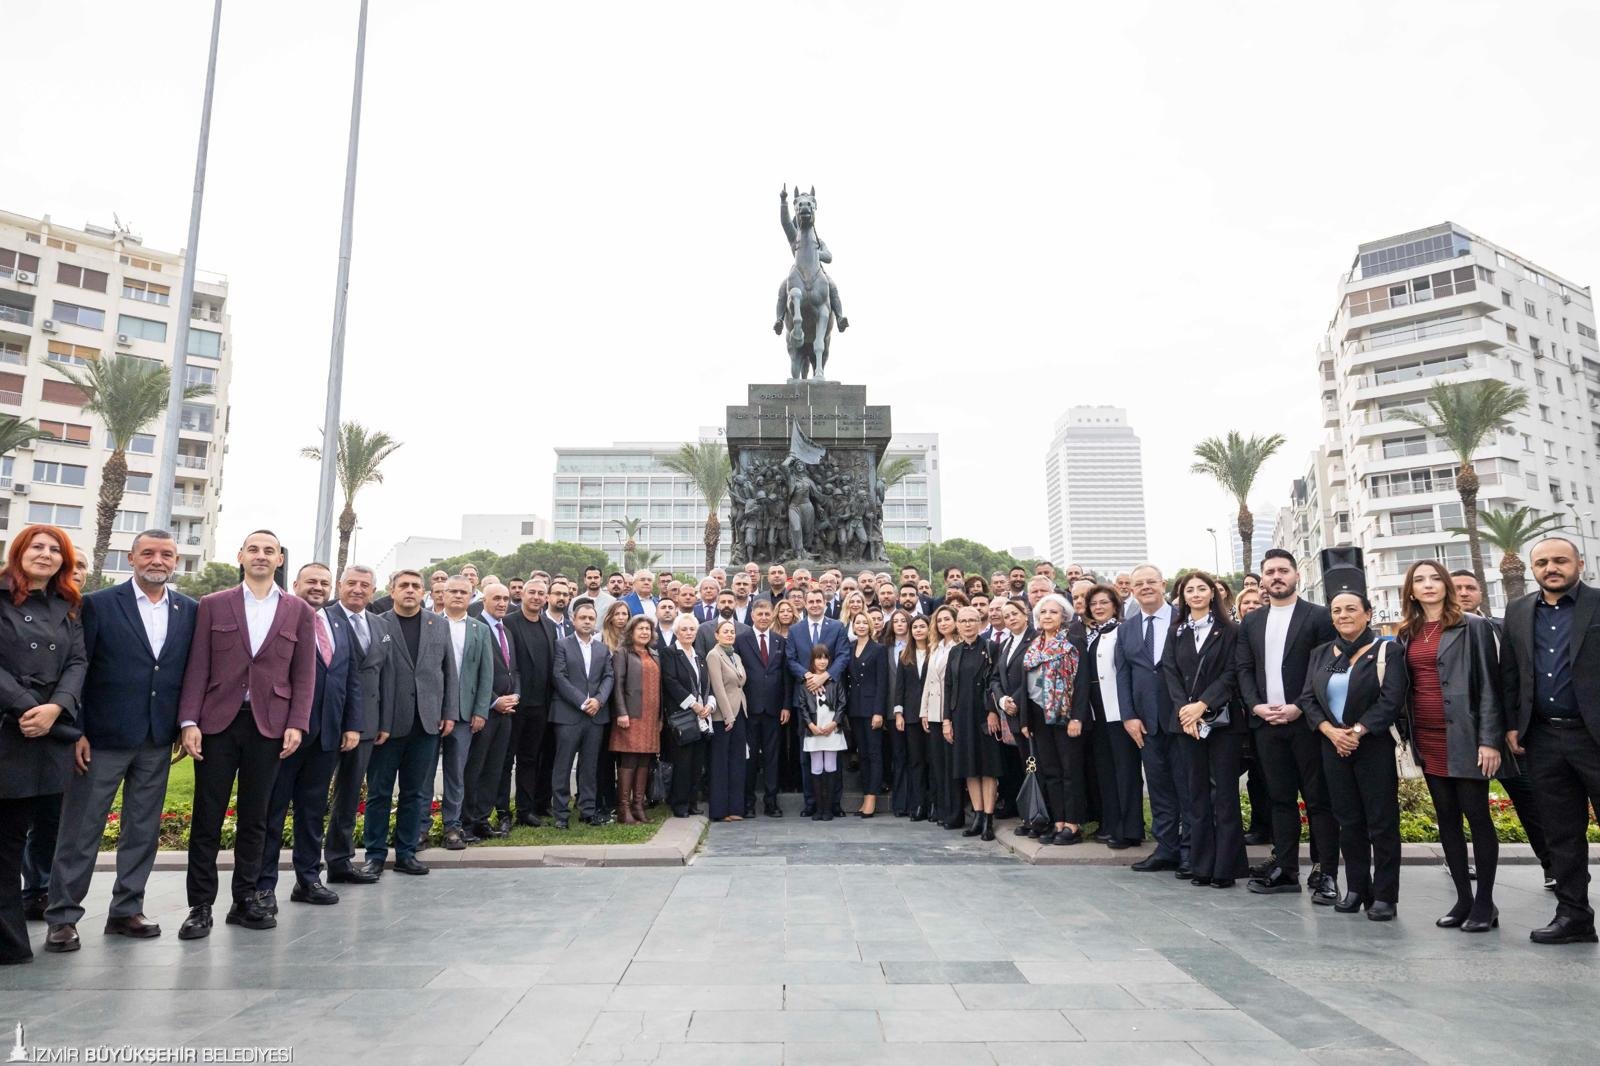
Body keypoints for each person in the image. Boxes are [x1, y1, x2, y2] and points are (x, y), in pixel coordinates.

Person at [44, 529, 193, 953]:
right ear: (131, 558)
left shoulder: (188, 610)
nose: (157, 561)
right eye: (148, 553)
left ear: (175, 561)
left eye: (166, 554)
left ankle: (127, 910)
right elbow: (78, 668)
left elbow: (185, 671)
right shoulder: (98, 604)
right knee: (81, 830)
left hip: (156, 738)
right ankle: (63, 917)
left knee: (142, 830)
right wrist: (77, 730)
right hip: (101, 739)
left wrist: (183, 724)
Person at [173, 530, 315, 939]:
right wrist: (189, 721)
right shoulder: (213, 604)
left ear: (280, 560)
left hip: (269, 725)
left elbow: (304, 674)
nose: (261, 555)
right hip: (217, 723)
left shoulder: (299, 610)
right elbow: (197, 666)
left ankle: (245, 899)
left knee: (257, 818)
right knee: (207, 817)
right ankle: (200, 906)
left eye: (269, 550)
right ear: (240, 556)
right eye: (253, 549)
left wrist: (297, 723)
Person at [1394, 560, 1503, 932]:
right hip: (1427, 738)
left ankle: (1485, 903)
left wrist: (1489, 740)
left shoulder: (1473, 626)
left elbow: (1490, 685)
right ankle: (1463, 900)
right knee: (1447, 819)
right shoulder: (1407, 632)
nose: (1428, 585)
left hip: (1467, 738)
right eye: (1419, 580)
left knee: (1477, 816)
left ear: (1446, 585)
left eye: (1434, 579)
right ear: (1411, 591)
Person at [1501, 537, 1600, 944]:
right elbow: (1510, 672)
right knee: (1561, 834)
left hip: (1593, 737)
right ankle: (1573, 917)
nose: (1551, 568)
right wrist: (1512, 724)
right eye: (1542, 562)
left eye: (1560, 560)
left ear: (1580, 563)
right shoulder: (1518, 610)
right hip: (1543, 738)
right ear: (1532, 568)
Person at [0, 526, 87, 964]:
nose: (46, 554)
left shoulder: (67, 605)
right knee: (4, 845)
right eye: (37, 546)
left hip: (48, 735)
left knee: (25, 835)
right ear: (19, 551)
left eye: (55, 550)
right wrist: (26, 706)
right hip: (8, 729)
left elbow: (77, 661)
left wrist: (56, 708)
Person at [256, 563, 363, 912]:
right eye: (311, 581)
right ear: (296, 584)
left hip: (326, 735)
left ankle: (308, 879)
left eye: (324, 583)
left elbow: (349, 678)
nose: (318, 587)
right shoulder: (280, 617)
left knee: (312, 811)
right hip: (284, 735)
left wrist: (351, 724)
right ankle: (263, 886)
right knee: (272, 812)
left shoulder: (338, 623)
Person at [1234, 549, 1339, 902]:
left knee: (1318, 800)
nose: (1276, 576)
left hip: (1307, 723)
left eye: (1283, 570)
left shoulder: (1319, 617)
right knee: (1279, 799)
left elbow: (1325, 668)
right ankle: (1287, 870)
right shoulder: (1251, 622)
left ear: (1297, 575)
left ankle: (1326, 871)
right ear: (1262, 579)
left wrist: (1299, 706)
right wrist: (1256, 706)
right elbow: (1244, 668)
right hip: (1266, 725)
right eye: (1270, 572)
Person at [1301, 589, 1406, 920]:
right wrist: (1331, 732)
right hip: (1333, 746)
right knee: (1348, 822)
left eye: (1350, 609)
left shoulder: (1388, 650)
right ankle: (1358, 889)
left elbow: (1391, 699)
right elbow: (1308, 699)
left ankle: (1385, 895)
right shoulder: (1321, 653)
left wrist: (1357, 731)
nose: (1343, 615)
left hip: (1373, 745)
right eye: (1336, 610)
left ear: (1368, 613)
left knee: (1381, 823)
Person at [1452, 568, 1551, 887]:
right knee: (1460, 808)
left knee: (1530, 800)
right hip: (1459, 735)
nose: (1464, 593)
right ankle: (1461, 865)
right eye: (1457, 587)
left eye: (1470, 587)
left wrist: (1517, 725)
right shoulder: (1430, 634)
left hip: (1507, 733)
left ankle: (1552, 866)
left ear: (1480, 592)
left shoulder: (1501, 628)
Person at [362, 569, 458, 879]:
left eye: (416, 585)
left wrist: (449, 712)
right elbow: (371, 675)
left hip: (426, 723)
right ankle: (375, 855)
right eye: (403, 585)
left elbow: (449, 671)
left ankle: (406, 853)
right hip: (387, 725)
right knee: (379, 793)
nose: (410, 590)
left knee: (415, 793)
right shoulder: (378, 623)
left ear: (423, 591)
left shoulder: (438, 624)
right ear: (392, 591)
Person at [1162, 571, 1247, 889]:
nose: (1196, 594)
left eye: (1202, 588)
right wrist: (1186, 712)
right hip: (1186, 724)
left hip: (1222, 722)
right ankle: (1201, 866)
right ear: (1182, 596)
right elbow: (1170, 672)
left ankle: (1225, 868)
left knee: (1223, 795)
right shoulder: (1176, 631)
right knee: (1196, 794)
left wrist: (1203, 705)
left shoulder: (1230, 630)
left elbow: (1232, 673)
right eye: (1189, 590)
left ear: (1214, 593)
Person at [1118, 564, 1189, 874]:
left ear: (1163, 584)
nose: (1145, 587)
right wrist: (1128, 716)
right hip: (1146, 722)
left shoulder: (1184, 619)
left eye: (1151, 582)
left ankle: (1190, 851)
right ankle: (1166, 848)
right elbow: (1123, 675)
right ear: (1132, 590)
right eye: (1139, 584)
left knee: (1187, 786)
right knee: (1159, 787)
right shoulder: (1126, 628)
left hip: (1182, 717)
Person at [326, 565, 389, 878]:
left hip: (366, 723)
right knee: (312, 796)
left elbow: (385, 675)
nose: (358, 589)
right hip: (327, 720)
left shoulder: (380, 624)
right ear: (340, 586)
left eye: (365, 585)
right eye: (351, 583)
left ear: (373, 591)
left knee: (349, 795)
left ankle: (340, 861)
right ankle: (307, 867)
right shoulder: (323, 618)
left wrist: (383, 722)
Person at [1021, 595, 1091, 845]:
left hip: (1065, 714)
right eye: (1043, 612)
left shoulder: (1073, 642)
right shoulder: (1033, 645)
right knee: (1050, 770)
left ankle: (1073, 824)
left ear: (1064, 617)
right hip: (1038, 715)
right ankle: (1058, 821)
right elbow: (1024, 685)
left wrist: (1077, 717)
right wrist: (1025, 719)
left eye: (1053, 612)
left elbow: (1082, 682)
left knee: (1070, 770)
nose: (1048, 616)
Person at [435, 576, 494, 850]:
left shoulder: (480, 629)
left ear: (471, 597)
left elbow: (486, 673)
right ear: (442, 594)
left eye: (464, 592)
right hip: (431, 712)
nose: (458, 596)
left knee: (456, 773)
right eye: (453, 591)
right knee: (423, 774)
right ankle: (420, 828)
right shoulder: (430, 623)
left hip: (465, 713)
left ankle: (452, 826)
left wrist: (481, 710)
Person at [1082, 584, 1141, 849]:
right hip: (1097, 713)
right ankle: (1111, 823)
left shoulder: (1122, 631)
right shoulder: (1092, 636)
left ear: (1115, 605)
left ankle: (1130, 830)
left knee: (1126, 772)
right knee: (1105, 771)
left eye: (1103, 602)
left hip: (1119, 711)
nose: (1098, 607)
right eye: (1093, 604)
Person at [549, 599, 615, 829]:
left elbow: (608, 676)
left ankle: (588, 810)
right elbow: (559, 676)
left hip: (596, 716)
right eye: (583, 618)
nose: (587, 621)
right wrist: (582, 701)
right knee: (563, 765)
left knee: (590, 766)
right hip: (569, 715)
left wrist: (599, 700)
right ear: (573, 620)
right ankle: (561, 813)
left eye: (591, 618)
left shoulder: (602, 648)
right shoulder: (562, 645)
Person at [786, 589, 852, 817]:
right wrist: (809, 677)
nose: (815, 604)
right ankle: (811, 803)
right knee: (808, 755)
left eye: (818, 601)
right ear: (805, 604)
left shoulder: (837, 627)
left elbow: (843, 655)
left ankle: (834, 804)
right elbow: (790, 659)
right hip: (805, 700)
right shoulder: (795, 630)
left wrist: (825, 676)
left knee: (833, 754)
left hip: (832, 697)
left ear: (825, 603)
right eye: (811, 601)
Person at [463, 582, 519, 841]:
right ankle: (467, 822)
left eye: (506, 598)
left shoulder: (506, 630)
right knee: (475, 769)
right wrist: (494, 701)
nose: (502, 603)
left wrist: (515, 696)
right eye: (496, 598)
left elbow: (513, 670)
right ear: (483, 600)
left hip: (506, 713)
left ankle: (482, 819)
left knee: (494, 769)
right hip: (483, 711)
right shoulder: (474, 627)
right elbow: (471, 673)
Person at [502, 576, 556, 827]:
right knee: (505, 761)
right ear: (522, 595)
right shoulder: (508, 623)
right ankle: (503, 811)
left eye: (540, 593)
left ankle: (526, 809)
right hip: (513, 704)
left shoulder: (549, 626)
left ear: (546, 598)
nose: (536, 597)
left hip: (540, 705)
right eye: (531, 592)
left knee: (530, 759)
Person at [945, 606, 1000, 840]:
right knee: (968, 767)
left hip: (984, 715)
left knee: (988, 767)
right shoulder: (954, 651)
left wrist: (993, 711)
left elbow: (996, 681)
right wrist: (947, 719)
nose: (967, 624)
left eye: (972, 620)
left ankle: (988, 817)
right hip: (960, 715)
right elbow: (949, 686)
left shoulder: (991, 647)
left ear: (980, 622)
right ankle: (977, 815)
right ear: (957, 625)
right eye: (963, 621)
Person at [735, 599, 790, 818]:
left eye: (767, 614)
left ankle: (771, 802)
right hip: (748, 709)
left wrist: (786, 705)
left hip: (774, 710)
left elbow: (785, 676)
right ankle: (748, 803)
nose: (764, 618)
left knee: (772, 758)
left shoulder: (780, 641)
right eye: (760, 614)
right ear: (752, 616)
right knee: (748, 759)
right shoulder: (741, 640)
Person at [609, 615, 659, 825]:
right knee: (629, 760)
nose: (645, 632)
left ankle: (638, 806)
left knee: (645, 761)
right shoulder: (622, 653)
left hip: (650, 717)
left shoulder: (654, 654)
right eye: (641, 629)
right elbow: (617, 684)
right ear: (631, 631)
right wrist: (621, 712)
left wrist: (660, 717)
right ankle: (624, 808)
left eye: (648, 629)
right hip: (630, 715)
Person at [661, 614, 712, 817]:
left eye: (692, 629)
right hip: (681, 716)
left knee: (696, 763)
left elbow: (706, 684)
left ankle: (692, 802)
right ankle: (679, 804)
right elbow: (670, 681)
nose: (688, 633)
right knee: (682, 762)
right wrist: (693, 704)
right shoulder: (670, 653)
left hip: (700, 717)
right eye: (684, 629)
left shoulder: (699, 655)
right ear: (676, 632)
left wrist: (708, 705)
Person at [1233, 584, 1272, 845]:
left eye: (1256, 602)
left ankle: (1265, 828)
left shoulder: (1269, 632)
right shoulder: (1232, 633)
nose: (1250, 606)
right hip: (1237, 717)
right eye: (1245, 603)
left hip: (1264, 714)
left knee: (1263, 776)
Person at [844, 612, 889, 817]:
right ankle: (865, 795)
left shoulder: (878, 649)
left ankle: (872, 797)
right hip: (855, 708)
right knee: (862, 753)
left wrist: (878, 712)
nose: (861, 626)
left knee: (874, 753)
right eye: (858, 622)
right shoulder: (850, 647)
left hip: (872, 709)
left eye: (865, 622)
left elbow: (882, 682)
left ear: (870, 626)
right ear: (853, 626)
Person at [705, 619, 749, 822]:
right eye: (725, 631)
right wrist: (727, 715)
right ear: (717, 635)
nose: (730, 634)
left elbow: (739, 684)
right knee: (721, 763)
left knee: (737, 761)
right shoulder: (714, 655)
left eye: (732, 631)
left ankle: (736, 808)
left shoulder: (736, 656)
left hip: (740, 713)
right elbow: (718, 687)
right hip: (723, 717)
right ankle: (720, 810)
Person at [799, 643, 848, 822]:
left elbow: (842, 704)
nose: (822, 661)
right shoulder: (805, 684)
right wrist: (811, 726)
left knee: (831, 766)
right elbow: (803, 707)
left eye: (825, 658)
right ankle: (818, 808)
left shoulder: (835, 681)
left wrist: (834, 723)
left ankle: (828, 808)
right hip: (814, 730)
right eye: (818, 658)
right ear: (812, 661)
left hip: (831, 729)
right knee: (816, 767)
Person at [893, 614, 933, 822]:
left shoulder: (936, 651)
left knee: (932, 761)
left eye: (922, 626)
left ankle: (934, 804)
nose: (918, 630)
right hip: (910, 715)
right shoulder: (904, 655)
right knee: (915, 761)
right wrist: (898, 713)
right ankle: (918, 805)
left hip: (932, 714)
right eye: (915, 627)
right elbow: (899, 687)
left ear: (929, 629)